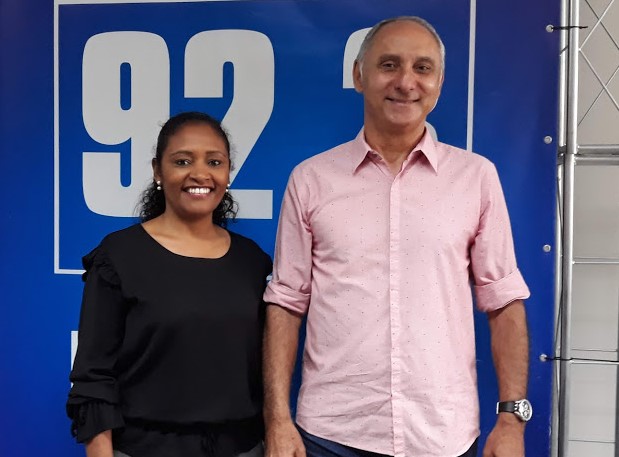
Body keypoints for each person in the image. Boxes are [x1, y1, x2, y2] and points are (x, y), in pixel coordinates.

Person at [262, 16, 531, 457]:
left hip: (442, 435)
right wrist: (277, 420)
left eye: (422, 68)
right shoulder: (311, 180)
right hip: (332, 435)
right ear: (359, 75)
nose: (406, 82)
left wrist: (511, 420)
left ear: (439, 83)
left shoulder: (476, 178)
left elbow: (503, 301)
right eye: (389, 64)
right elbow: (287, 303)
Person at [67, 111, 272, 457]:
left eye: (215, 161)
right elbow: (93, 376)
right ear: (157, 171)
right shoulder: (119, 256)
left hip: (242, 449)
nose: (200, 173)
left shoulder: (252, 261)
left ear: (227, 173)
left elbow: (266, 371)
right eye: (182, 161)